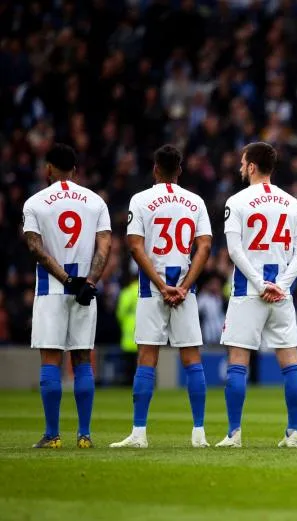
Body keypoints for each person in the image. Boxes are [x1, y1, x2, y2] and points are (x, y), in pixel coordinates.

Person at [110, 145, 213, 449]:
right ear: (179, 170)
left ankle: (139, 433)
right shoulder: (195, 201)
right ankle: (199, 433)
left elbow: (134, 245)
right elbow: (205, 246)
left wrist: (159, 284)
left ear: (155, 169)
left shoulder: (140, 200)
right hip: (185, 290)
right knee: (192, 360)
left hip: (150, 290)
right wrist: (183, 286)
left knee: (146, 359)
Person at [217, 142, 297, 448]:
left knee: (238, 361)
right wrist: (281, 284)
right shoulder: (292, 203)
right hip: (281, 293)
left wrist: (259, 284)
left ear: (252, 167)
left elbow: (234, 250)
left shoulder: (238, 201)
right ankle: (294, 432)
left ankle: (234, 434)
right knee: (291, 362)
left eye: (243, 163)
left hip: (249, 291)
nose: (241, 168)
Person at [22, 143, 112, 448]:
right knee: (82, 358)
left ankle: (52, 434)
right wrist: (89, 281)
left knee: (51, 359)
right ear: (75, 169)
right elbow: (105, 246)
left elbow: (35, 248)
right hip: (85, 291)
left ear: (48, 168)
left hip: (52, 290)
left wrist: (66, 280)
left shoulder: (35, 203)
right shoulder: (95, 201)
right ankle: (84, 435)